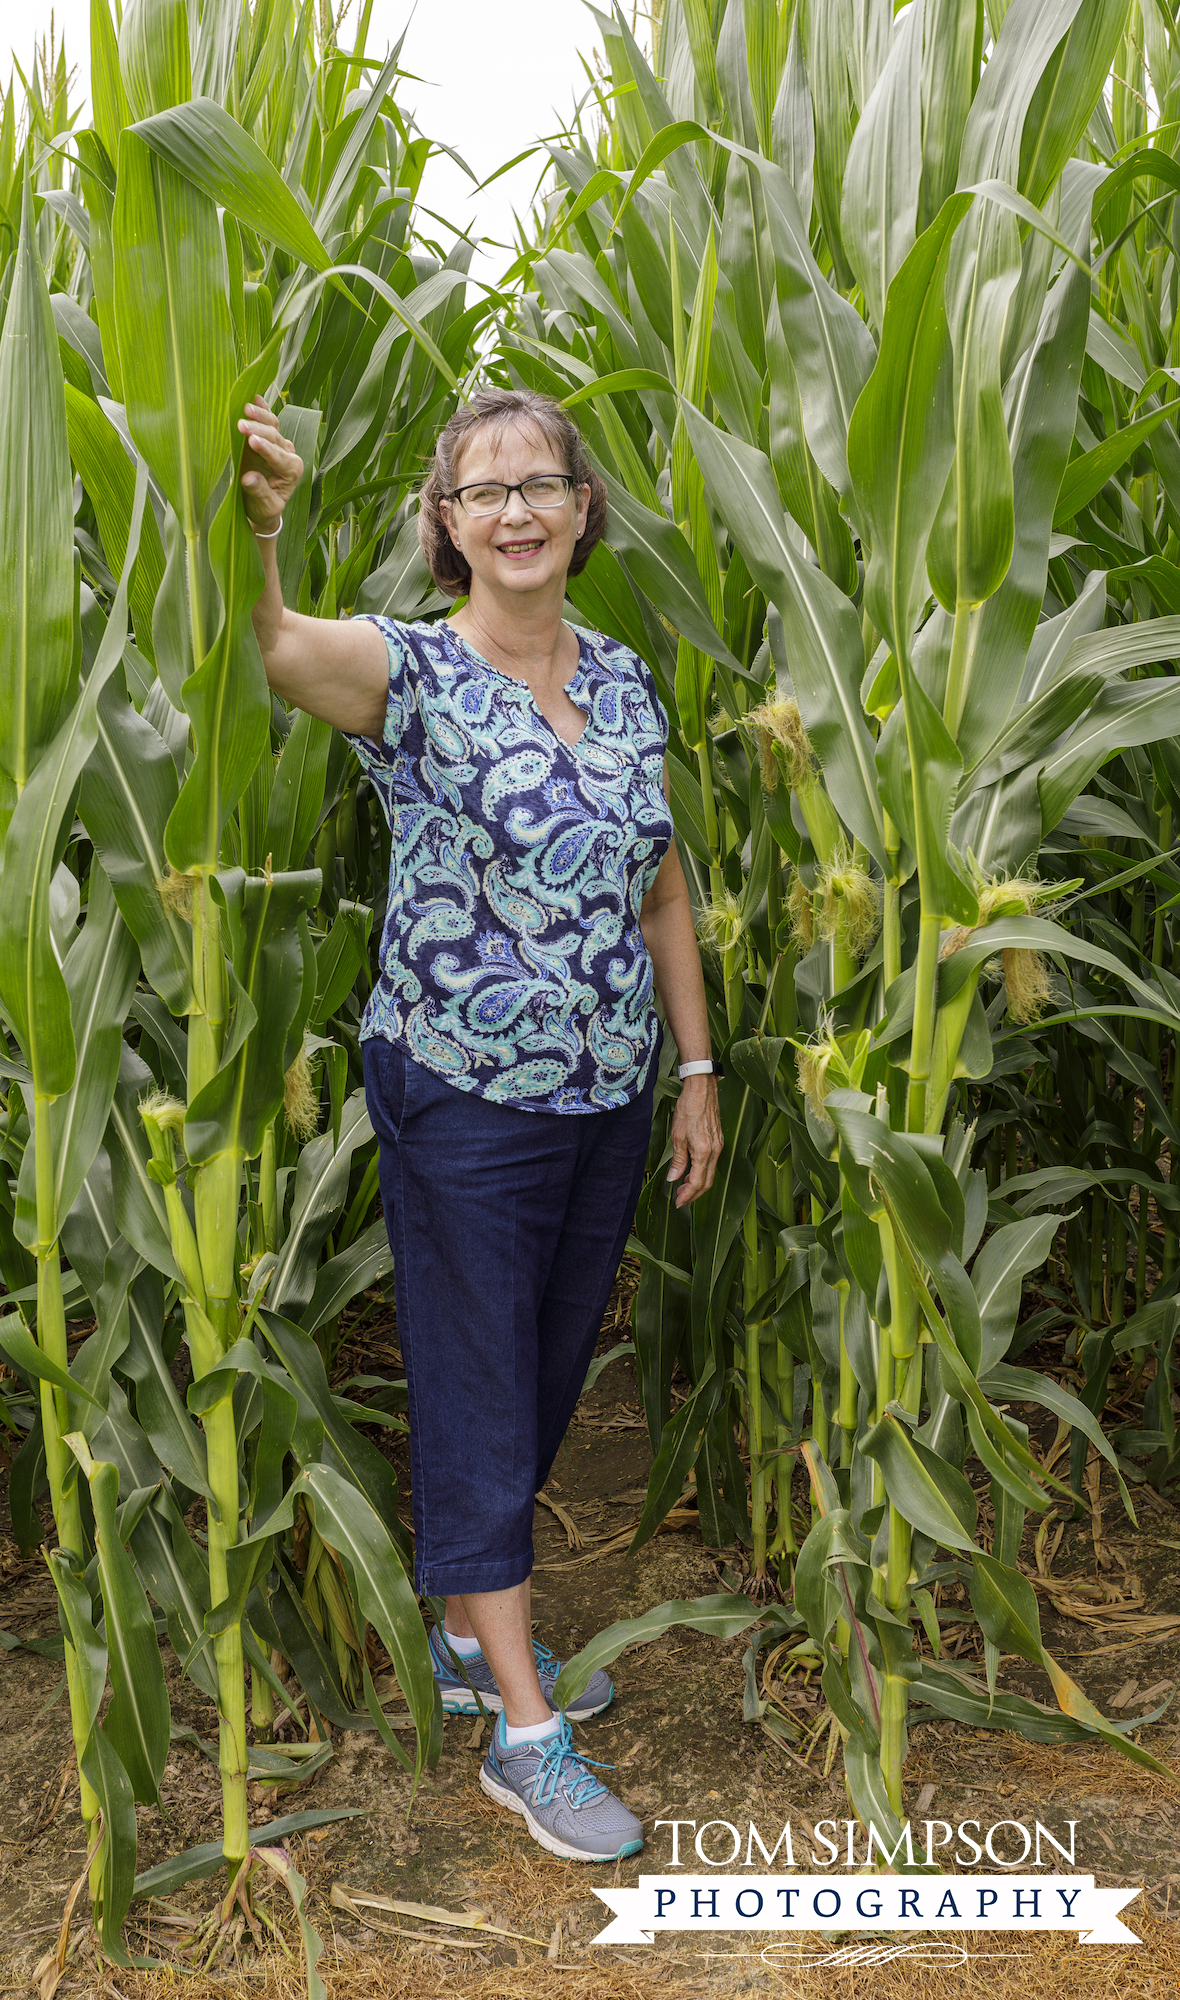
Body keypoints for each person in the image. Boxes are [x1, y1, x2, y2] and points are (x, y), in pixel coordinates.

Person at [238, 385, 722, 1864]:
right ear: (445, 527)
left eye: (540, 485)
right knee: (475, 1382)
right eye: (482, 491)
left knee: (541, 1370)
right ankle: (522, 1732)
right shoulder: (416, 675)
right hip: (459, 1091)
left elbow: (660, 885)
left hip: (603, 1091)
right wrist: (259, 533)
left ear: (582, 509)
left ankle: (462, 1634)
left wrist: (695, 1069)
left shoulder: (626, 679)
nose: (515, 510)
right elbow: (270, 650)